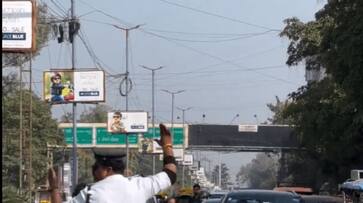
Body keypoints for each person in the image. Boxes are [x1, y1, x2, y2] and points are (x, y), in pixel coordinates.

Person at [48, 124, 177, 203]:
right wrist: (167, 146)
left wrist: (54, 188)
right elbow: (170, 174)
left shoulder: (90, 193)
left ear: (108, 170)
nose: (93, 170)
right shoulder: (140, 185)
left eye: (96, 167)